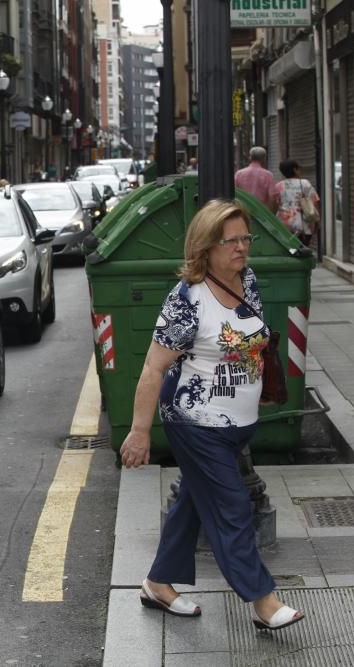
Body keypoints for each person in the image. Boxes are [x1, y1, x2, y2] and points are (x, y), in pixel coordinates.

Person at [119, 199, 305, 632]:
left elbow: (247, 341)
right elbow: (153, 367)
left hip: (235, 422)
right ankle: (263, 601)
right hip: (195, 420)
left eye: (246, 239)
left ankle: (158, 583)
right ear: (206, 247)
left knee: (193, 501)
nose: (241, 248)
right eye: (231, 241)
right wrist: (140, 431)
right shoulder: (187, 300)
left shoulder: (248, 280)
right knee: (232, 505)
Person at [271, 159, 320, 247]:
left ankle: (292, 256)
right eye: (299, 169)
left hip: (284, 226)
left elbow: (274, 206)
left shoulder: (278, 186)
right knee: (302, 249)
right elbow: (315, 201)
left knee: (289, 249)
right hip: (303, 226)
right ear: (295, 170)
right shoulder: (305, 183)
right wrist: (315, 221)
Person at [234, 147, 276, 211]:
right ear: (264, 158)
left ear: (250, 157)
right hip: (261, 212)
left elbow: (235, 193)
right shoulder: (268, 175)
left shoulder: (239, 173)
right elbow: (272, 197)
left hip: (243, 210)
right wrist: (270, 213)